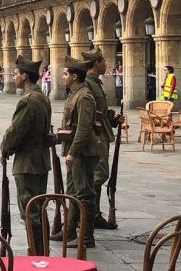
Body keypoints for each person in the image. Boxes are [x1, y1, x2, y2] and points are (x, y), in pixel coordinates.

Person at [0, 55, 52, 255]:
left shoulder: (28, 101)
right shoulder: (42, 97)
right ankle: (42, 250)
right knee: (38, 207)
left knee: (29, 210)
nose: (14, 77)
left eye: (15, 74)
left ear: (24, 76)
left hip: (27, 162)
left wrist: (5, 149)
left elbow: (15, 132)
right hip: (40, 159)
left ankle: (37, 253)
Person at [50, 55, 101, 248]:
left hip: (83, 153)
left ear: (75, 76)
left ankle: (87, 237)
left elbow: (83, 128)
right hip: (75, 151)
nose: (62, 77)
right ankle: (69, 231)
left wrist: (73, 152)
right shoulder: (74, 93)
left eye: (65, 74)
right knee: (72, 192)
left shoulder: (84, 96)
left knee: (85, 194)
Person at [81, 47, 121, 230]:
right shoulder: (88, 84)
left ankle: (94, 213)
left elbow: (100, 112)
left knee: (99, 173)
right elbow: (89, 113)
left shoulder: (96, 82)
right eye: (103, 60)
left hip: (102, 132)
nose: (106, 64)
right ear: (96, 63)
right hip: (96, 136)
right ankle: (86, 209)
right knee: (100, 174)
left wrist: (112, 119)